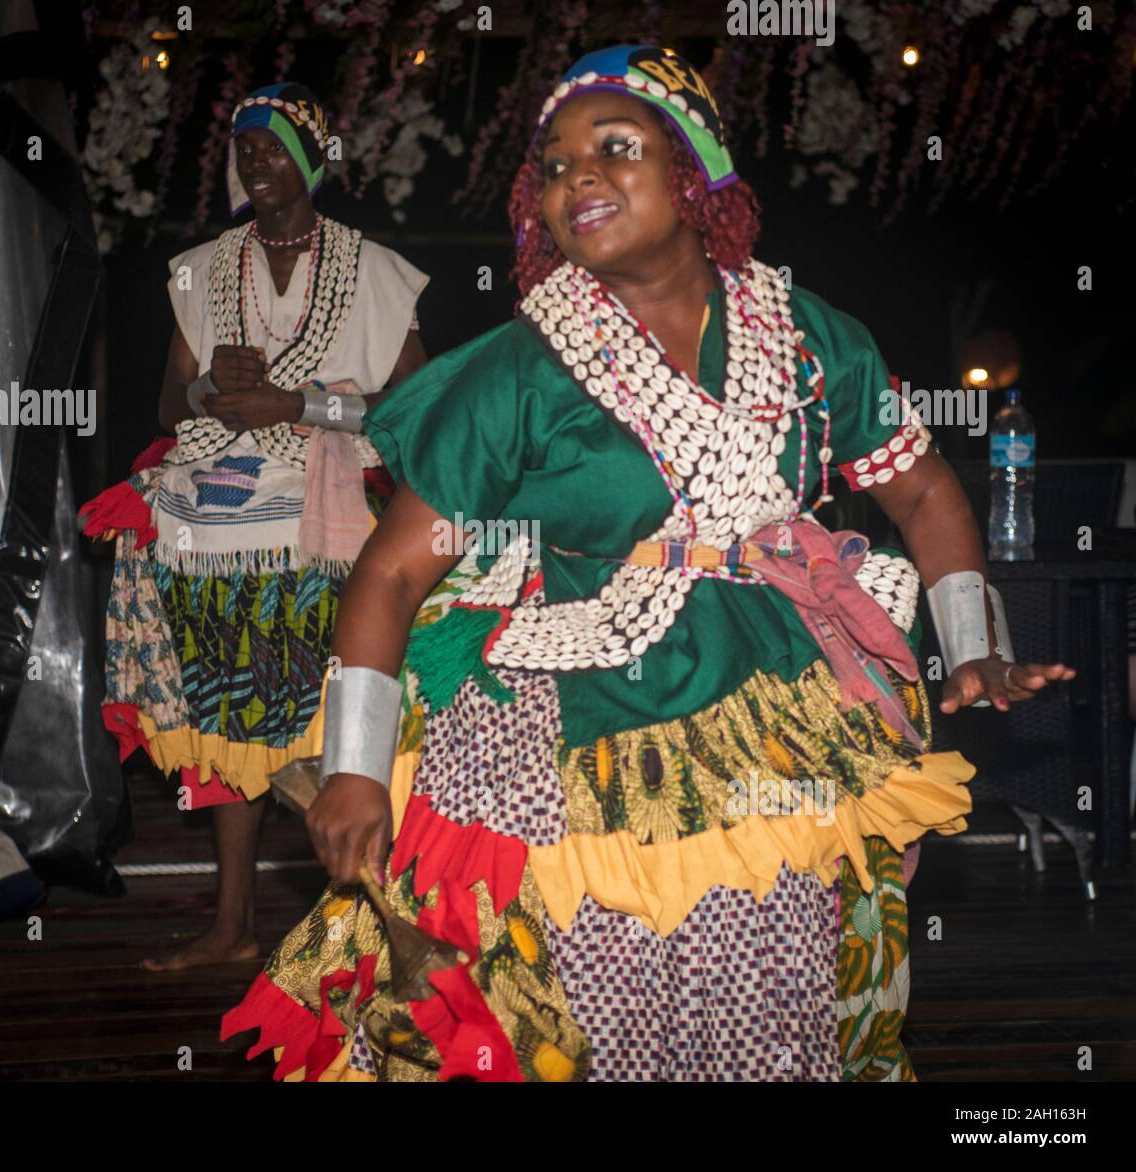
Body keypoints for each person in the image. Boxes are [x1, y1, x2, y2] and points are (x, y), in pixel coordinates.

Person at [221, 46, 1075, 1081]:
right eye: (553, 164)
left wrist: (973, 644)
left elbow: (926, 491)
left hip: (790, 696)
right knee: (597, 967)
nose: (576, 178)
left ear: (691, 172)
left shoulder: (807, 337)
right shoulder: (518, 373)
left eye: (611, 150)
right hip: (589, 713)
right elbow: (397, 571)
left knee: (795, 965)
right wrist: (356, 768)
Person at [79, 82, 428, 970]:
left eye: (272, 146)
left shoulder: (373, 269)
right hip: (213, 520)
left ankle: (376, 936)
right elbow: (169, 400)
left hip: (327, 516)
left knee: (329, 725)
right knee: (229, 722)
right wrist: (209, 390)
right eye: (243, 147)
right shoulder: (203, 266)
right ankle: (233, 928)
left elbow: (413, 409)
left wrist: (298, 404)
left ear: (310, 157)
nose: (256, 162)